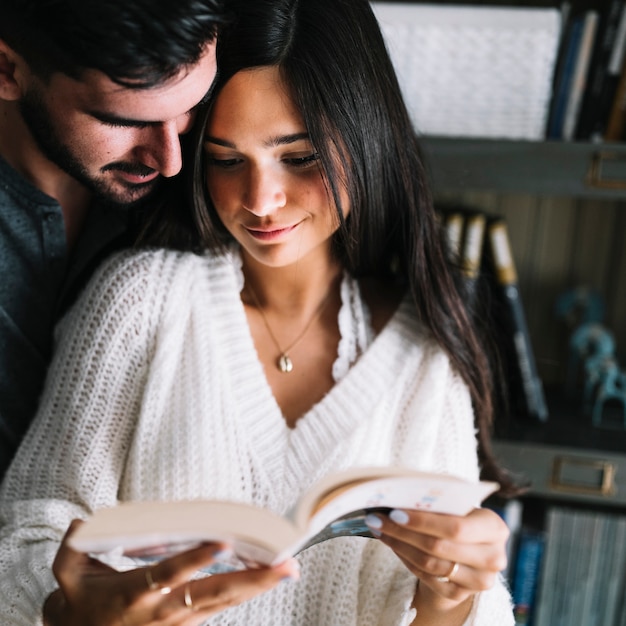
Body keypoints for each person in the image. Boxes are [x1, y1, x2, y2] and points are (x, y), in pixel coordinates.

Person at [0, 0, 517, 624]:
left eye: (299, 158)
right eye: (224, 159)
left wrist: (452, 596)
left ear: (365, 135)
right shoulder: (139, 301)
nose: (261, 201)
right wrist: (67, 610)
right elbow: (28, 534)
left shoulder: (425, 356)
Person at [0, 0, 228, 479]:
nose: (170, 161)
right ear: (6, 69)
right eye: (124, 121)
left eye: (191, 107)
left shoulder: (214, 176)